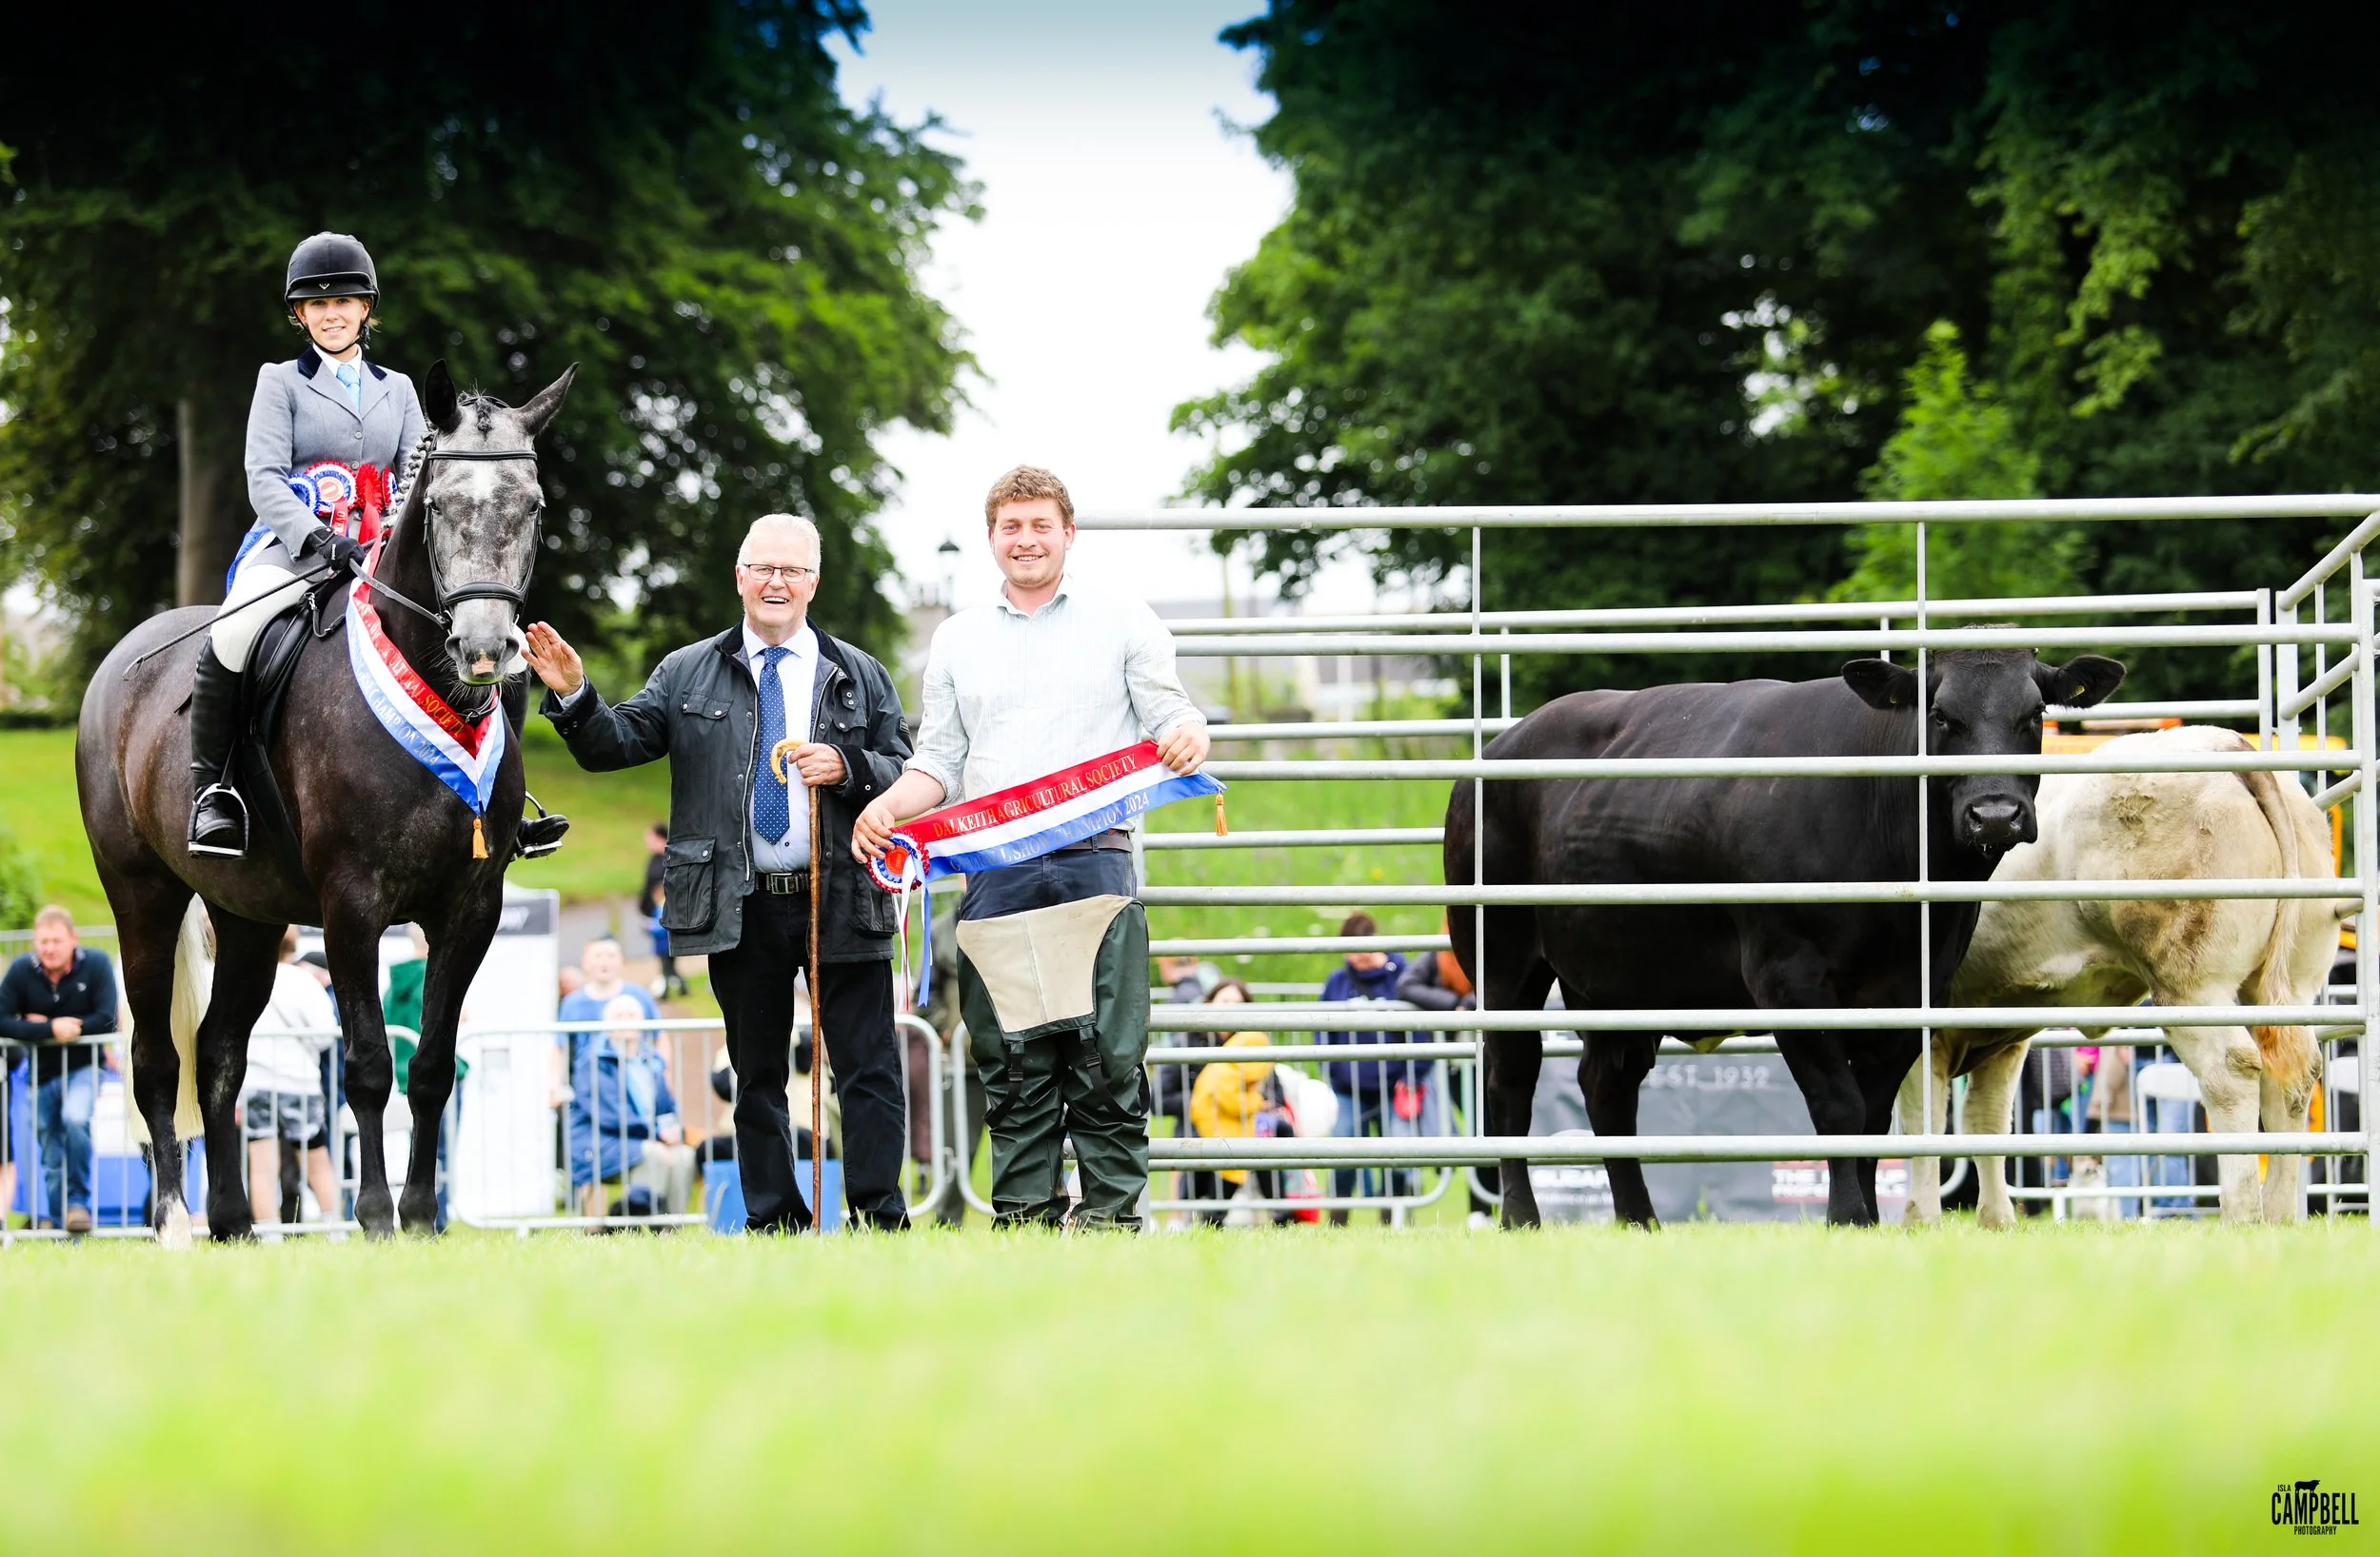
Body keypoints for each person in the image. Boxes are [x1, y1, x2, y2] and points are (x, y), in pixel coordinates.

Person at [525, 512, 915, 1232]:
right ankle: (775, 1221)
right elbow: (616, 745)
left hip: (842, 897)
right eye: (762, 567)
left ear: (813, 583)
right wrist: (577, 697)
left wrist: (851, 766)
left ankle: (879, 1218)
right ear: (738, 578)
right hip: (742, 903)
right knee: (757, 1075)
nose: (776, 581)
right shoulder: (684, 671)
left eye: (791, 569)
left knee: (869, 1067)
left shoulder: (858, 674)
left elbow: (910, 768)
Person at [854, 464, 1210, 1230]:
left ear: (1067, 533)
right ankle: (1024, 1229)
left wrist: (1190, 733)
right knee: (1012, 1065)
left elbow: (1171, 714)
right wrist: (886, 807)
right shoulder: (957, 638)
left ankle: (1113, 1224)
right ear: (991, 539)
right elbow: (940, 763)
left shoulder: (1123, 619)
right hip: (995, 875)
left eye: (1040, 525)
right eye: (1011, 527)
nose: (1026, 540)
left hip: (1096, 863)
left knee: (1106, 1060)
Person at [189, 232, 565, 862]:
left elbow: (421, 479)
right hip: (295, 545)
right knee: (234, 630)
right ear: (300, 315)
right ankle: (215, 791)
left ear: (366, 309)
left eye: (345, 301)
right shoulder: (279, 382)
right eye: (318, 304)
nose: (332, 313)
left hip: (382, 552)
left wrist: (391, 541)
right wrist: (316, 537)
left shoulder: (397, 389)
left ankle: (506, 796)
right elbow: (263, 478)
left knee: (514, 652)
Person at [0, 907, 119, 1235]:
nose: (48, 948)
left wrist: (68, 1028)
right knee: (51, 1159)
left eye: (55, 941)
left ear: (72, 939)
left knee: (75, 1118)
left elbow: (107, 1018)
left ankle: (78, 1201)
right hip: (40, 1076)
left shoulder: (95, 965)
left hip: (84, 1068)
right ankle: (64, 1235)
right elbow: (2, 1019)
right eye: (42, 942)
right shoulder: (22, 971)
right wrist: (52, 1028)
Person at [1317, 912, 1423, 1223]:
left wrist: (1412, 1075)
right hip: (1349, 1087)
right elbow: (1322, 1029)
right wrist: (1332, 1070)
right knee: (1343, 1156)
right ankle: (1337, 1221)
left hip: (1395, 1087)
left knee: (1398, 1156)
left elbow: (1420, 1029)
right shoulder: (1337, 981)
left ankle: (1395, 1219)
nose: (1358, 962)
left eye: (1363, 953)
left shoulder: (1401, 977)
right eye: (1352, 954)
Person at [242, 928, 342, 1228]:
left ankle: (270, 1233)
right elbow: (326, 1034)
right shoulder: (304, 982)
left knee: (261, 1168)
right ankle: (334, 1227)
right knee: (318, 1164)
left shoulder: (247, 978)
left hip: (257, 1082)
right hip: (301, 1083)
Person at [568, 993, 695, 1219]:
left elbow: (667, 1107)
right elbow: (609, 1115)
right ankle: (639, 1229)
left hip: (644, 1139)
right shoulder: (592, 1062)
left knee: (684, 1156)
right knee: (653, 1155)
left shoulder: (652, 1061)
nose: (626, 1020)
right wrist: (656, 1136)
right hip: (600, 1142)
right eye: (619, 1015)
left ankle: (672, 1230)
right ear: (607, 1024)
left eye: (632, 1015)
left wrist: (672, 1130)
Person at [638, 822, 686, 996]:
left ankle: (675, 987)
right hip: (654, 912)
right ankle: (673, 986)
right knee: (664, 957)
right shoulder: (653, 859)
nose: (647, 842)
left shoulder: (669, 858)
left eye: (650, 838)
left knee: (667, 956)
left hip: (665, 913)